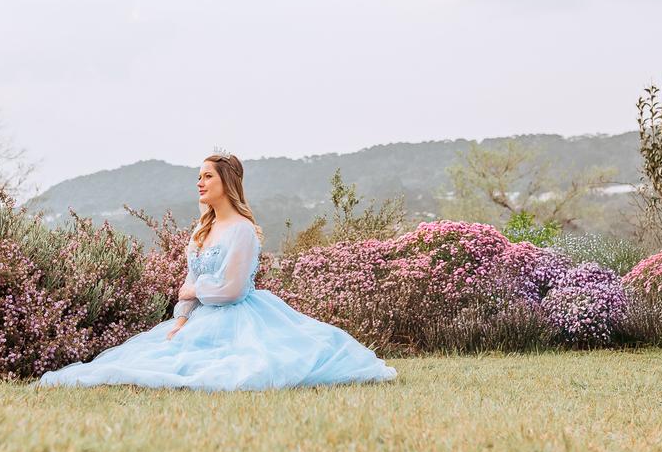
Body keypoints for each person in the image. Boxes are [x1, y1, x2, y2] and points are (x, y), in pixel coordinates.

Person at [37, 150, 398, 390]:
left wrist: (193, 292)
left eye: (207, 176)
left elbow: (231, 289)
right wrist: (180, 318)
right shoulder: (203, 230)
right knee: (162, 355)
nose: (200, 182)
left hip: (238, 315)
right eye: (199, 176)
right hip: (201, 316)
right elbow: (190, 279)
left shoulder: (241, 229)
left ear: (226, 183)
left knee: (235, 369)